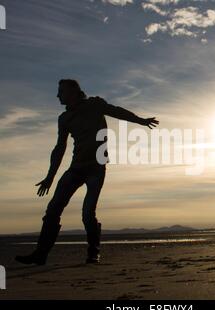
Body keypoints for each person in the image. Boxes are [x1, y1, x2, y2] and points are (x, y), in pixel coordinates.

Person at [15, 79, 159, 265]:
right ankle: (41, 254)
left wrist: (141, 121)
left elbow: (117, 112)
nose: (58, 95)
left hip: (96, 169)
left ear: (74, 91)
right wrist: (50, 177)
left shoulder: (95, 105)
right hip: (76, 169)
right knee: (53, 209)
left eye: (61, 91)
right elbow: (60, 148)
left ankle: (93, 253)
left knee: (87, 213)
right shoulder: (64, 119)